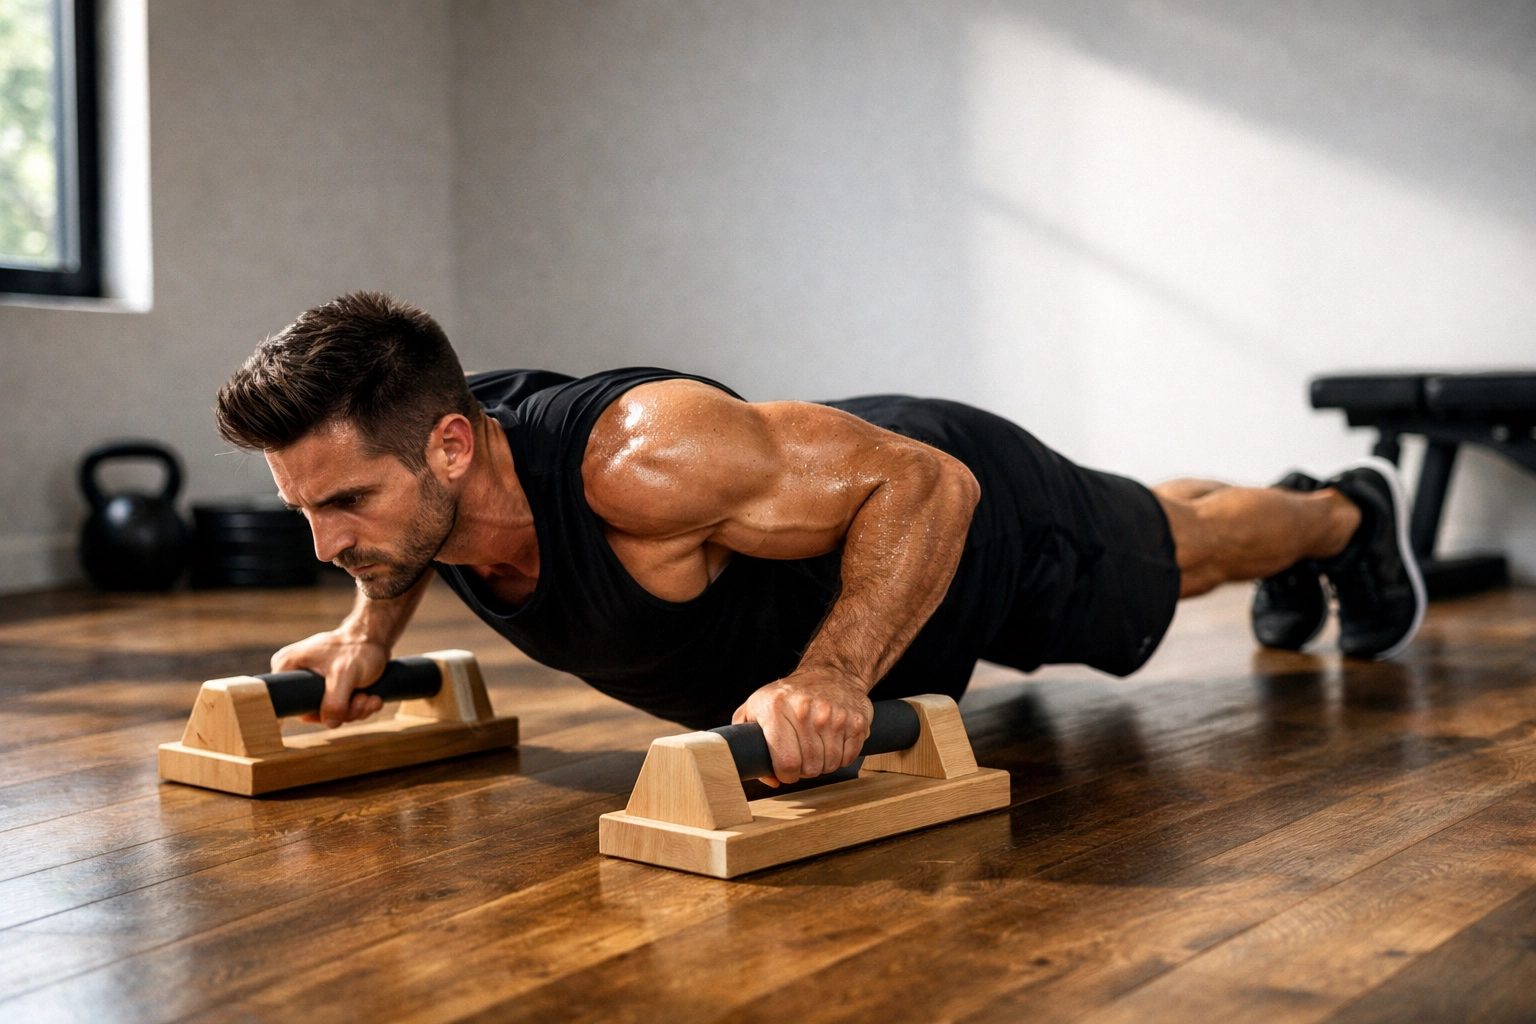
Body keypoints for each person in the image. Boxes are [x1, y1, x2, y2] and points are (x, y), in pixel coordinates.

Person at [215, 292, 1425, 785]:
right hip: (827, 506)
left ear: (449, 450)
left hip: (942, 509)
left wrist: (835, 671)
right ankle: (1305, 505)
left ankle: (1344, 512)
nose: (328, 541)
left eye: (346, 507)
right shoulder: (425, 471)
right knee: (1160, 516)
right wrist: (365, 632)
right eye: (305, 510)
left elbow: (927, 485)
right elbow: (398, 539)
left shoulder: (637, 461)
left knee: (1179, 550)